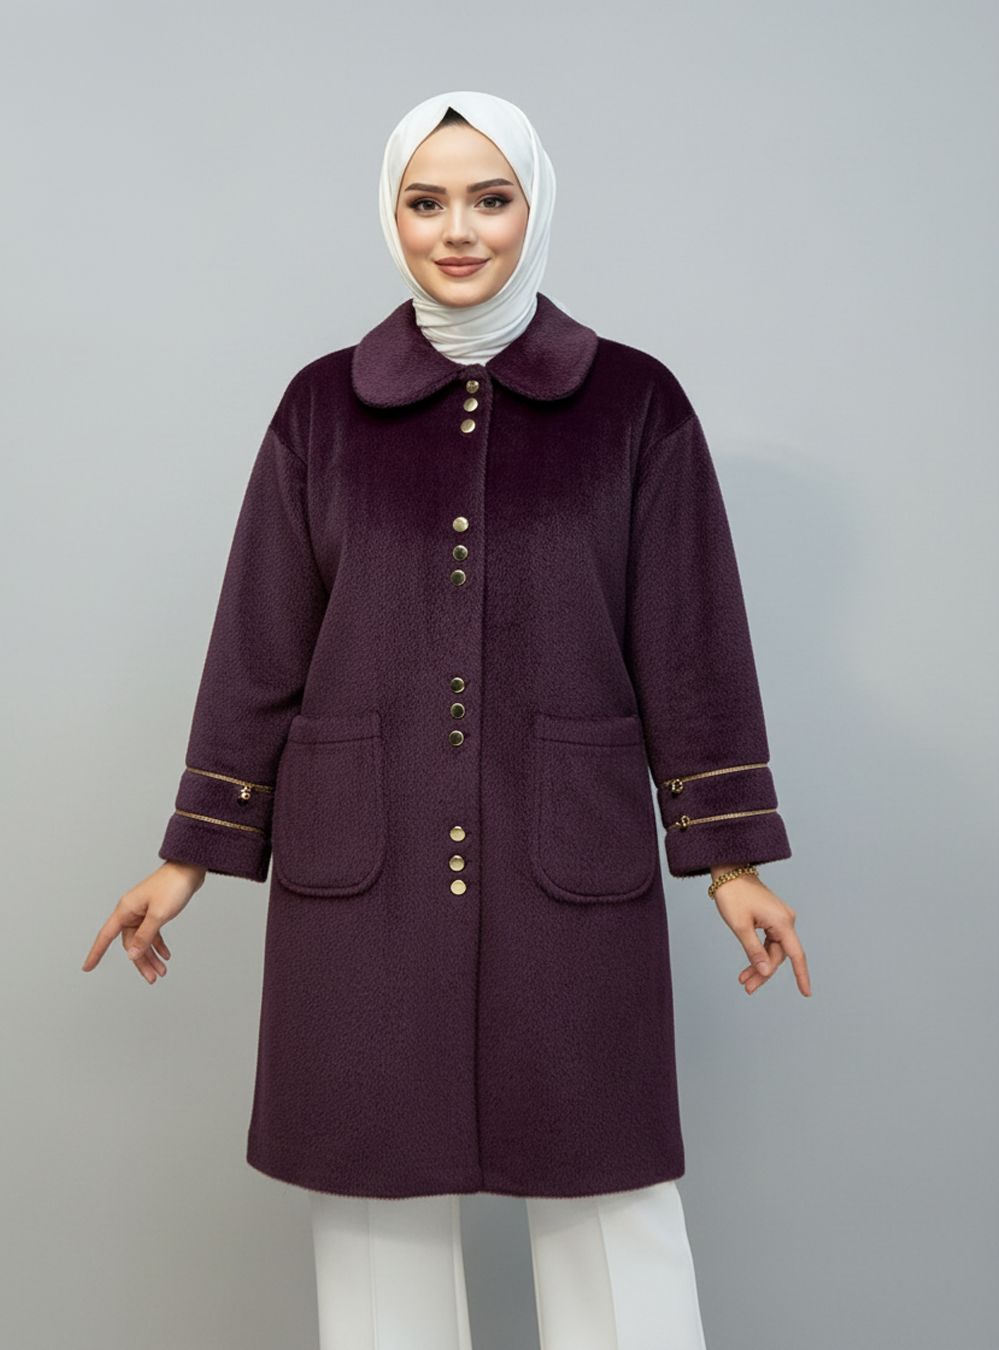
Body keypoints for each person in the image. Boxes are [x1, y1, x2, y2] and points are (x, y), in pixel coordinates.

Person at [84, 91, 810, 1349]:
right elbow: (259, 647)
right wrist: (190, 855)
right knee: (378, 1218)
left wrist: (732, 862)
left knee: (608, 1199)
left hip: (566, 854)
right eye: (427, 202)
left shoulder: (635, 405)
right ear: (392, 214)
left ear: (536, 206)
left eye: (490, 198)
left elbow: (690, 641)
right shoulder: (321, 411)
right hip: (364, 870)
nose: (457, 230)